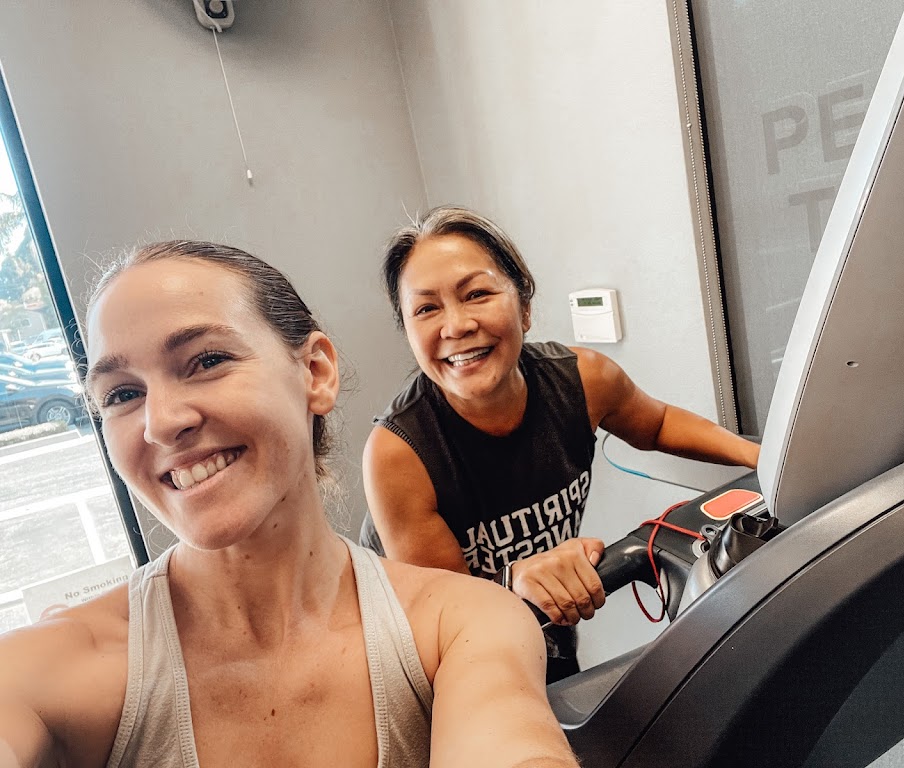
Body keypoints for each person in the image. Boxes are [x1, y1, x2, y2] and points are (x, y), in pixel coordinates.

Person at [0, 241, 578, 768]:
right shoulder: (48, 673)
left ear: (316, 372)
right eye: (123, 394)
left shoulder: (461, 627)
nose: (162, 422)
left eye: (207, 361)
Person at [361, 206, 760, 682]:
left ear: (525, 307)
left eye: (477, 294)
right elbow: (443, 610)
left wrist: (767, 457)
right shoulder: (397, 454)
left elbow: (657, 425)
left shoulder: (585, 380)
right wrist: (512, 579)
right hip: (427, 658)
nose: (456, 326)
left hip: (542, 627)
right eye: (427, 308)